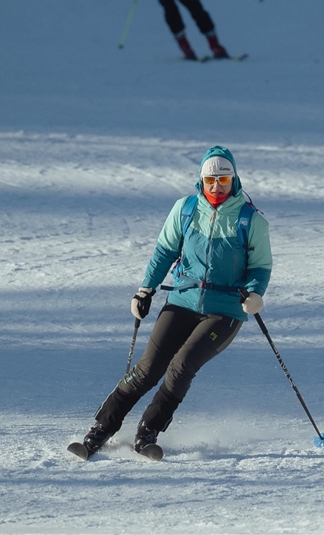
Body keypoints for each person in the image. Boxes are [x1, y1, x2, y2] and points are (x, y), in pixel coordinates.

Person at [75, 146, 272, 456]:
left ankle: (148, 431)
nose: (216, 187)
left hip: (225, 311)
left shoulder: (250, 220)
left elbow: (260, 266)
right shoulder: (186, 210)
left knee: (181, 366)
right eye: (210, 181)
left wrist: (255, 293)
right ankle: (101, 428)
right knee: (148, 368)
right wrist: (145, 291)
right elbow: (164, 251)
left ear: (234, 180)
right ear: (201, 180)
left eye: (223, 180)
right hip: (182, 300)